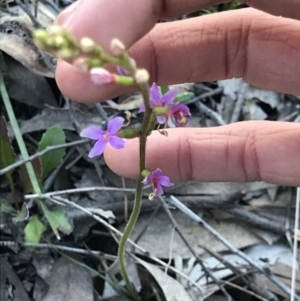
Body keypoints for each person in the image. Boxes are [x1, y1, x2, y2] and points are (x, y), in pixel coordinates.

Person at [55, 0, 300, 187]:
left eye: (107, 135)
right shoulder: (134, 121)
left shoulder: (154, 108)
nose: (108, 137)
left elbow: (158, 110)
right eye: (106, 136)